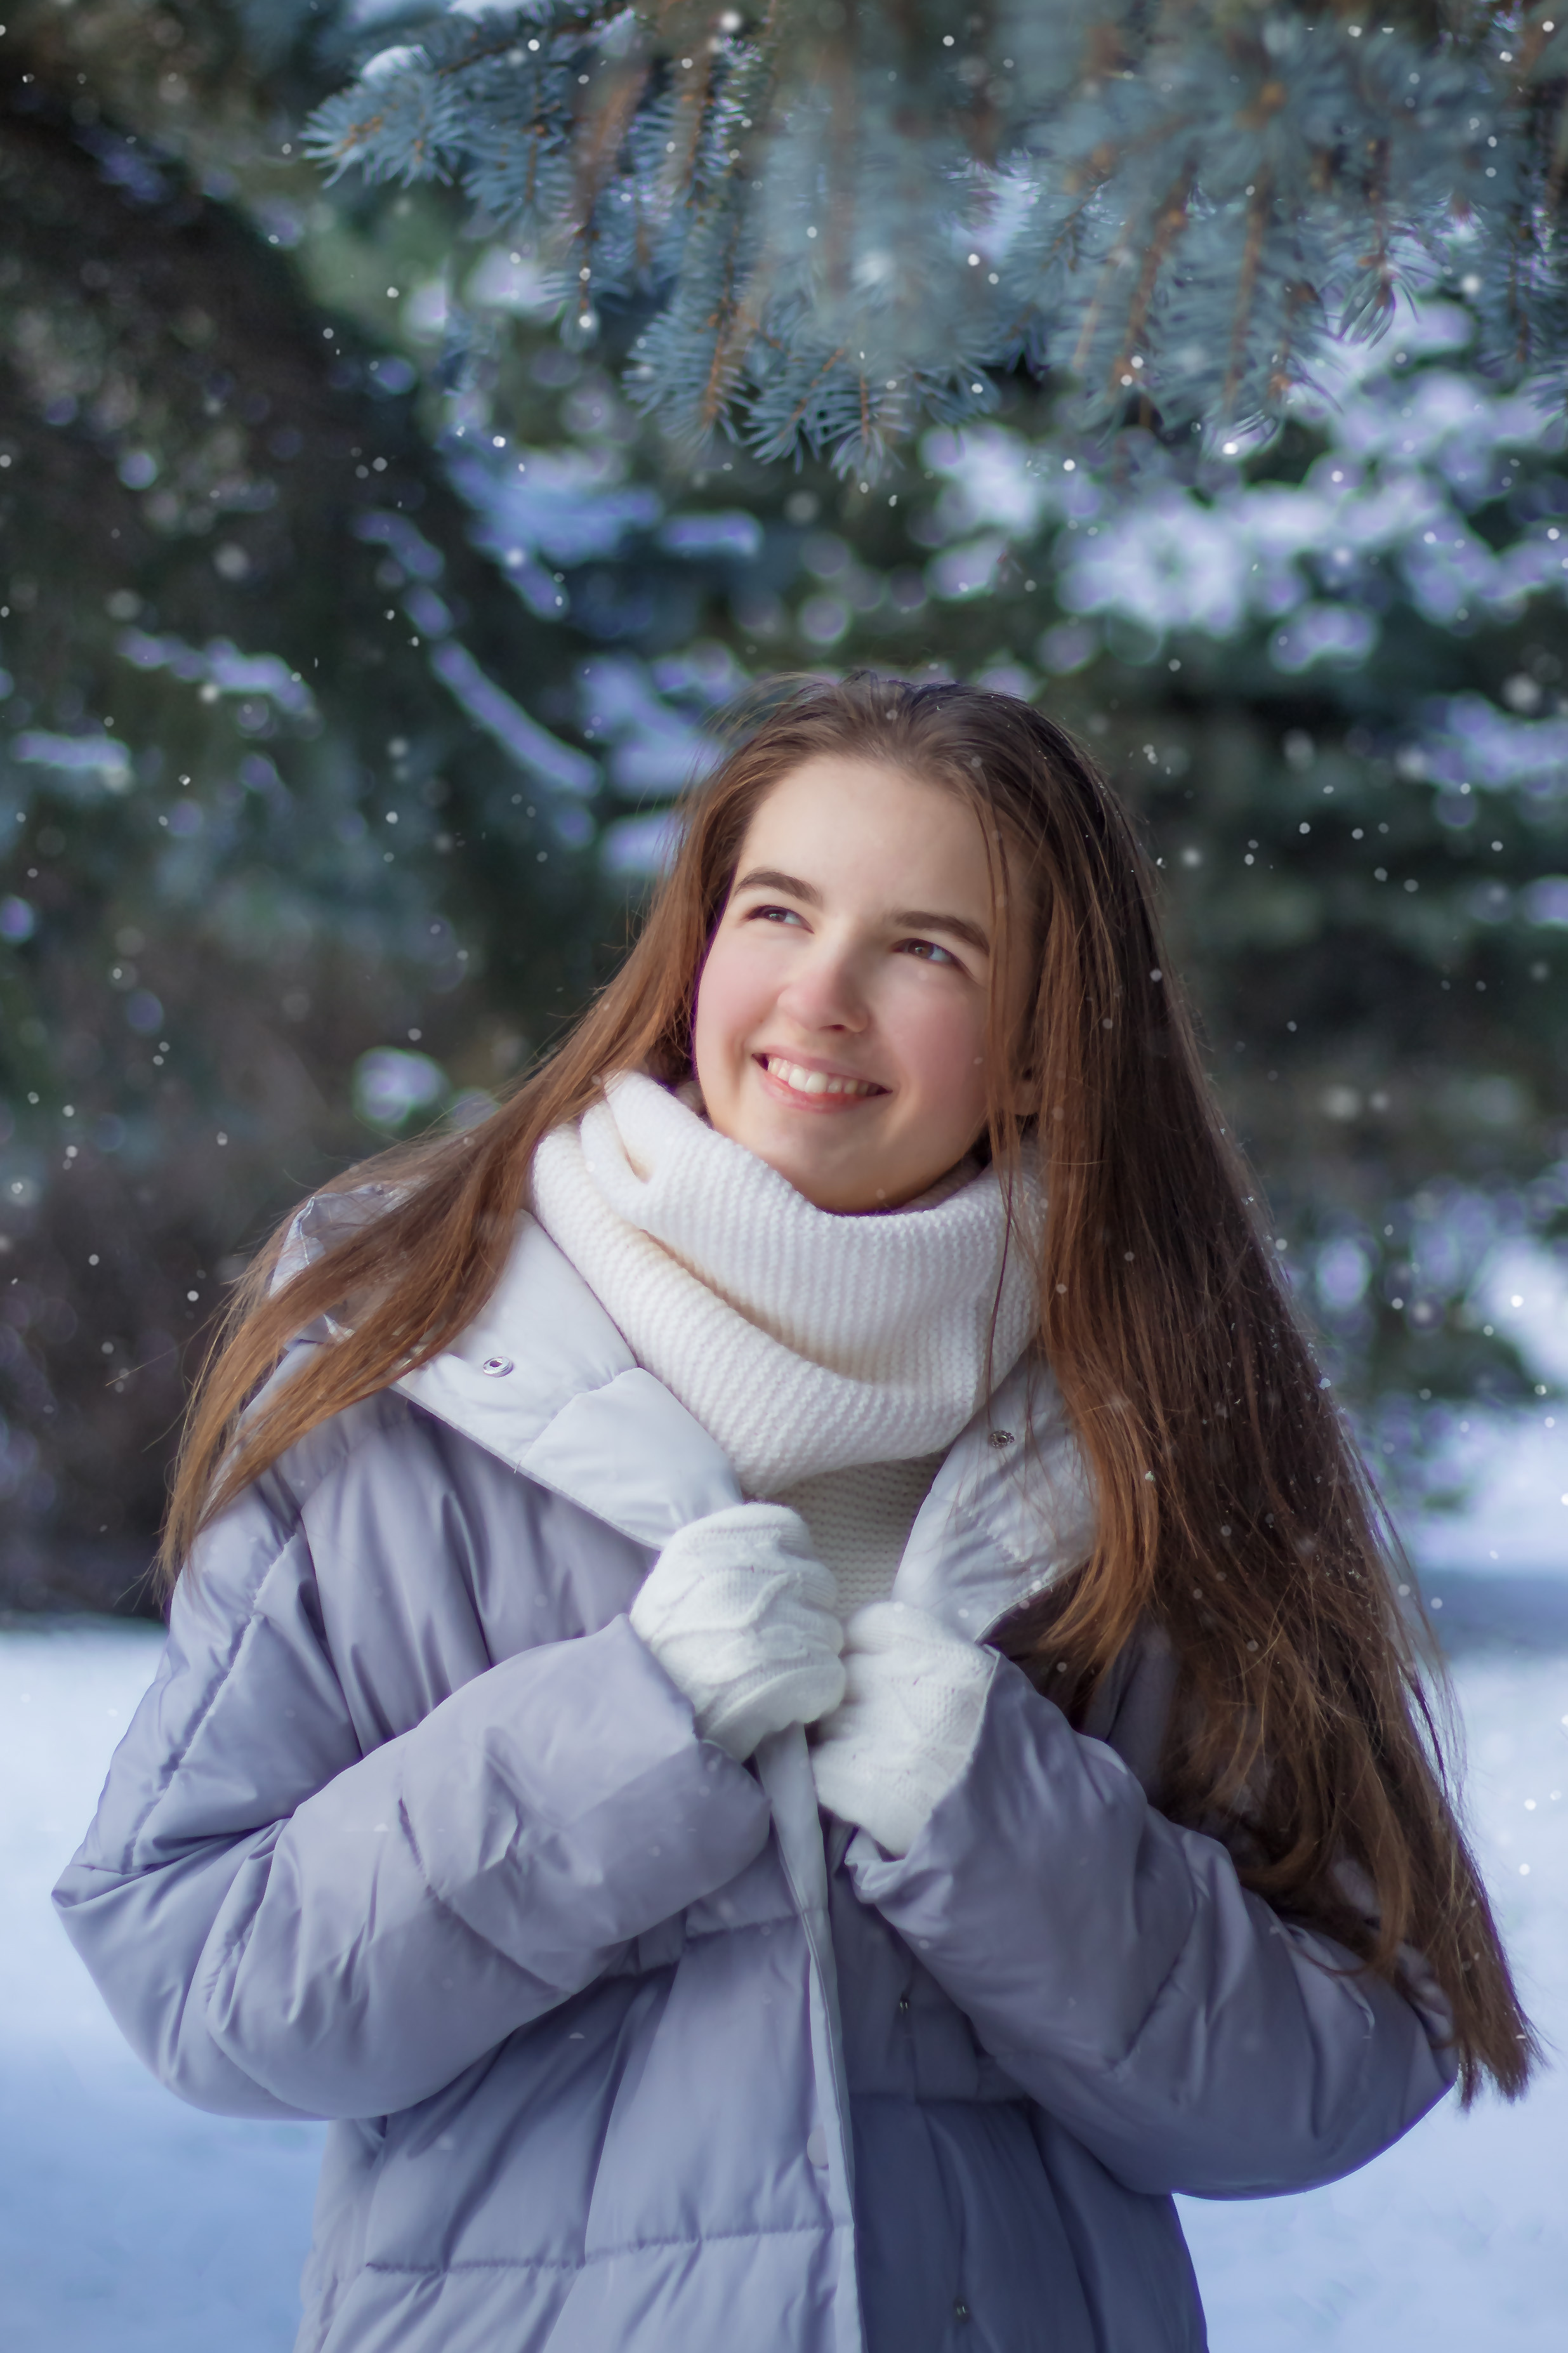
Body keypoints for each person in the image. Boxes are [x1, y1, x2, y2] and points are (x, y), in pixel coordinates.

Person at [56, 676, 1532, 2353]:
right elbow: (189, 1965)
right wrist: (622, 1742)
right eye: (778, 912)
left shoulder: (1155, 1417)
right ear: (696, 943)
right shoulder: (417, 1356)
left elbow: (1351, 2048)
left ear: (1045, 1038)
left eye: (928, 950)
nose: (819, 997)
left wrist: (998, 1818)